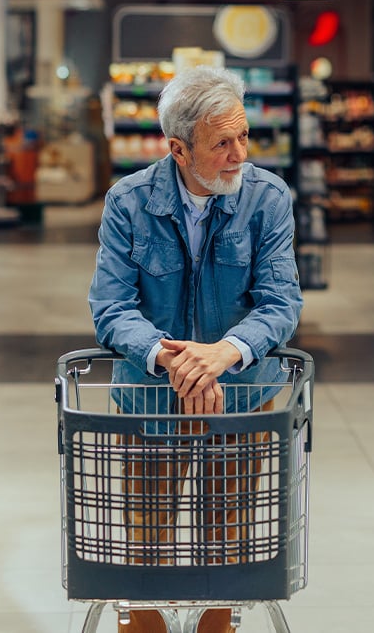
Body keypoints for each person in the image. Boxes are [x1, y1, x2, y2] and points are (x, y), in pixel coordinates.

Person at [88, 65, 304, 633]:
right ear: (178, 148)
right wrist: (173, 359)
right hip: (151, 405)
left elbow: (281, 302)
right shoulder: (128, 202)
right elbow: (111, 308)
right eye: (221, 143)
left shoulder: (267, 198)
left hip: (241, 399)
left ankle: (217, 627)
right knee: (145, 539)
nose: (239, 154)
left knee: (228, 542)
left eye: (243, 136)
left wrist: (224, 353)